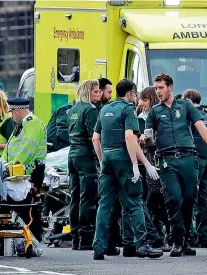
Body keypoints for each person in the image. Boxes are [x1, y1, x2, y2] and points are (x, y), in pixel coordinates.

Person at [145, 73, 207, 257]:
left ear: (170, 87)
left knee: (189, 199)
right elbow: (148, 135)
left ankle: (185, 239)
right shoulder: (154, 111)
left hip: (188, 158)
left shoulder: (185, 105)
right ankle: (177, 241)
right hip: (167, 160)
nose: (158, 92)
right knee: (173, 199)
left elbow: (200, 125)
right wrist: (145, 141)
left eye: (161, 88)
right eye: (156, 88)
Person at [92, 79, 163, 260]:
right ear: (130, 93)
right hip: (123, 159)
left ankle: (98, 248)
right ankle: (141, 245)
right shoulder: (127, 109)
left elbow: (95, 138)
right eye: (135, 94)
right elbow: (129, 137)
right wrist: (136, 164)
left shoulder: (104, 109)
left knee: (104, 205)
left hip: (107, 158)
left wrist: (102, 161)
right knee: (134, 202)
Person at [2, 97, 47, 240]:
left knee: (28, 207)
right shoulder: (23, 124)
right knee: (20, 206)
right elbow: (11, 148)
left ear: (18, 110)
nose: (11, 116)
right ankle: (26, 239)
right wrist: (3, 164)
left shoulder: (33, 124)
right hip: (20, 172)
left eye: (12, 112)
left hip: (31, 172)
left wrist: (13, 165)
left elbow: (28, 149)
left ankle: (33, 239)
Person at [67, 79, 101, 250]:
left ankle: (74, 237)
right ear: (88, 92)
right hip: (85, 155)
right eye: (95, 91)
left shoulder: (73, 109)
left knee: (75, 197)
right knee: (87, 197)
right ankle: (86, 237)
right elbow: (93, 136)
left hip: (72, 155)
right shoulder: (90, 109)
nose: (99, 94)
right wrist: (99, 159)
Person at [138, 86, 171, 249]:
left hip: (157, 164)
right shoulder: (139, 117)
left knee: (154, 201)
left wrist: (147, 141)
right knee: (154, 201)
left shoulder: (159, 116)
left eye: (145, 99)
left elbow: (161, 140)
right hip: (147, 164)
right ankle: (159, 233)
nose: (142, 103)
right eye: (141, 99)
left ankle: (161, 234)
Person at [182, 88, 207, 248]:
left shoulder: (190, 118)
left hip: (192, 161)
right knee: (204, 197)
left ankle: (190, 235)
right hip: (205, 160)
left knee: (190, 197)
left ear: (188, 101)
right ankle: (203, 234)